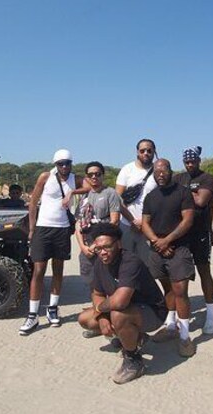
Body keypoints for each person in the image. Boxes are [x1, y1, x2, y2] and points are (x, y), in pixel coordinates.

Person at [78, 223, 167, 384]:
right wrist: (102, 317)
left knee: (118, 314)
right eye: (98, 248)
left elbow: (120, 301)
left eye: (107, 247)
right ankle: (135, 337)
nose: (103, 252)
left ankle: (133, 359)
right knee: (85, 319)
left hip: (152, 312)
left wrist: (99, 309)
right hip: (127, 310)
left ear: (118, 244)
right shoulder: (100, 262)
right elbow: (97, 293)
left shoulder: (130, 262)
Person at [20, 149, 85, 335]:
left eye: (67, 163)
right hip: (43, 228)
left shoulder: (74, 178)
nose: (64, 167)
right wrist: (32, 229)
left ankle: (52, 308)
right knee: (39, 270)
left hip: (62, 229)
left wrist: (72, 192)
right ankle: (32, 314)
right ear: (55, 164)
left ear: (71, 163)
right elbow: (33, 202)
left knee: (58, 270)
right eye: (61, 163)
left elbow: (92, 185)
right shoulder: (45, 177)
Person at [141, 159, 197, 357]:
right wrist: (157, 242)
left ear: (171, 171)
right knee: (167, 288)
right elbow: (145, 223)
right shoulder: (150, 196)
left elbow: (188, 220)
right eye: (156, 172)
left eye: (163, 171)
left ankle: (185, 336)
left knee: (180, 290)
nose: (160, 174)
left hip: (179, 247)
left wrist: (168, 240)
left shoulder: (182, 192)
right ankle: (171, 326)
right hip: (157, 249)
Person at [174, 146, 213, 334]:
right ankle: (175, 316)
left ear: (199, 161)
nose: (190, 164)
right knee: (177, 274)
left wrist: (181, 194)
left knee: (204, 271)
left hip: (200, 232)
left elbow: (201, 201)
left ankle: (210, 315)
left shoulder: (206, 178)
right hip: (182, 233)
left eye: (193, 161)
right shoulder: (178, 178)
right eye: (187, 162)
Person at [75, 161, 121, 287]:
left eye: (97, 174)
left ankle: (109, 305)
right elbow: (78, 224)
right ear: (86, 178)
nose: (94, 177)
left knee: (109, 278)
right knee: (91, 279)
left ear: (102, 175)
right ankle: (97, 306)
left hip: (105, 243)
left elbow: (114, 221)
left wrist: (97, 245)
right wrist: (83, 247)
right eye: (91, 175)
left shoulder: (110, 193)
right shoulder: (84, 197)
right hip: (88, 242)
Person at [115, 139, 158, 261]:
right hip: (127, 225)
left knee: (148, 266)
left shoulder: (159, 171)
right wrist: (133, 220)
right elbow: (117, 199)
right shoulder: (127, 170)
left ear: (154, 152)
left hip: (150, 227)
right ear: (137, 152)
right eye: (142, 150)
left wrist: (144, 223)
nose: (146, 153)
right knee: (126, 264)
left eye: (149, 151)